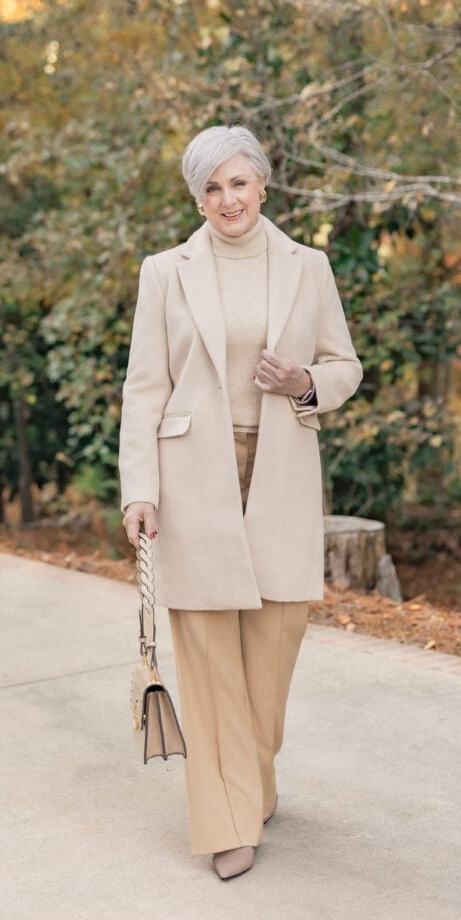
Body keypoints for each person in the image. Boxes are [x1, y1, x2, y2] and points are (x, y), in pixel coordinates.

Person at [119, 124, 362, 880]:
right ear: (198, 196)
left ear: (262, 185)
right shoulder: (165, 271)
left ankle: (252, 776)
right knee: (211, 661)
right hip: (193, 474)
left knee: (270, 657)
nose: (227, 198)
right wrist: (139, 489)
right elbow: (144, 388)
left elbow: (344, 363)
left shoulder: (307, 265)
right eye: (212, 187)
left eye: (238, 182)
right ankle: (225, 818)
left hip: (280, 470)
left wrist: (303, 383)